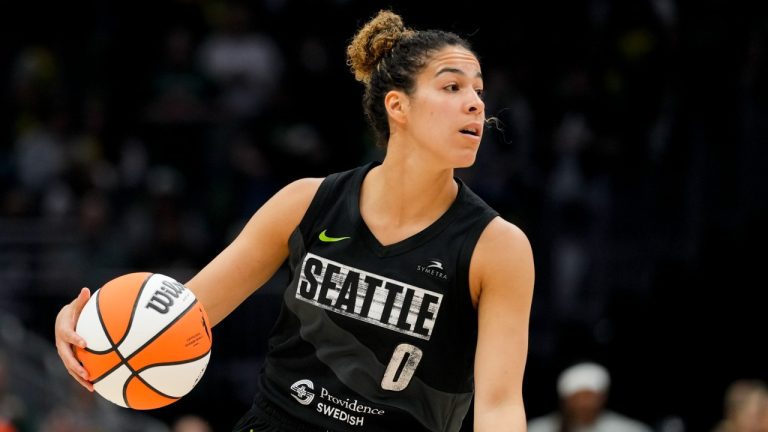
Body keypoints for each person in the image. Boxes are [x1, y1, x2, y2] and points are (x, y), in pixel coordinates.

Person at [53, 9, 535, 432]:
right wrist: (87, 329)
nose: (476, 103)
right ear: (398, 106)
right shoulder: (306, 202)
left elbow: (498, 405)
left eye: (478, 90)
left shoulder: (498, 246)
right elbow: (182, 314)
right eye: (452, 86)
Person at [527, 362, 652, 432]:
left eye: (589, 396)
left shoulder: (629, 429)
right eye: (577, 397)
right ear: (564, 400)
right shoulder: (537, 428)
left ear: (602, 398)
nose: (583, 404)